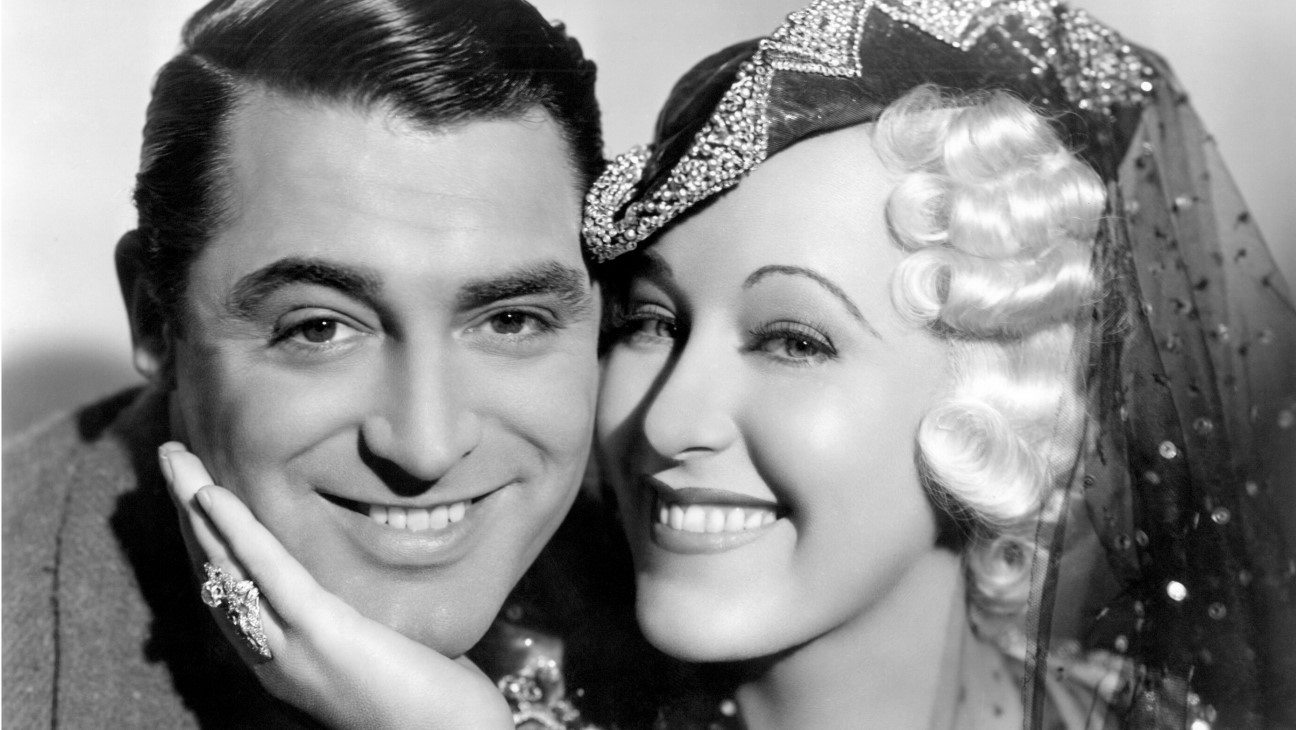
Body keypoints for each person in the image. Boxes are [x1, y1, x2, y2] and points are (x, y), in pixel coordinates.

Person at [161, 0, 1296, 728]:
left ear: (1006, 391)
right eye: (651, 323)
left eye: (792, 339)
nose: (665, 421)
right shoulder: (502, 681)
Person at [0, 0, 654, 727]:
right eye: (319, 329)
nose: (426, 447)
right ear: (157, 322)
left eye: (510, 321)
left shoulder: (675, 559)